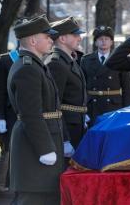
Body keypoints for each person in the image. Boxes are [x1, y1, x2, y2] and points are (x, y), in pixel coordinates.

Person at [7, 14, 64, 204]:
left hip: (44, 139)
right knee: (33, 198)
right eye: (47, 36)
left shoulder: (36, 65)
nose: (51, 40)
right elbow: (31, 114)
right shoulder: (28, 68)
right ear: (33, 40)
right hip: (36, 145)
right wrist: (44, 149)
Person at [0, 18, 28, 196]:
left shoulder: (44, 57)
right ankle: (0, 185)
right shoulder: (6, 60)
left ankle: (23, 184)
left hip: (30, 112)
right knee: (8, 150)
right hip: (10, 113)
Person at [45, 16, 88, 157]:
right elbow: (53, 103)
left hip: (76, 125)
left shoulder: (70, 59)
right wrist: (64, 139)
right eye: (75, 35)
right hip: (67, 129)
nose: (79, 38)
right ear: (62, 39)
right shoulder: (56, 63)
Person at [80, 26, 130, 124]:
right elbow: (81, 86)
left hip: (113, 106)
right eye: (100, 39)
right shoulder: (86, 60)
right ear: (95, 42)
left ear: (111, 42)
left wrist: (126, 111)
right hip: (92, 107)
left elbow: (127, 89)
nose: (103, 41)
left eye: (106, 39)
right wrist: (82, 109)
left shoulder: (120, 60)